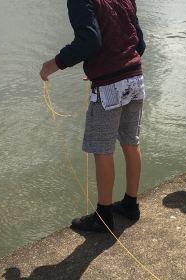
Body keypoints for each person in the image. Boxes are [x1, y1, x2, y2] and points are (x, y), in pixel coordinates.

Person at [40, 0, 146, 232]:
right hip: (135, 78)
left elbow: (89, 40)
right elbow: (139, 42)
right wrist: (102, 66)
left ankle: (104, 215)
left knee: (102, 149)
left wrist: (53, 64)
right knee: (131, 142)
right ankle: (131, 204)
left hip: (110, 86)